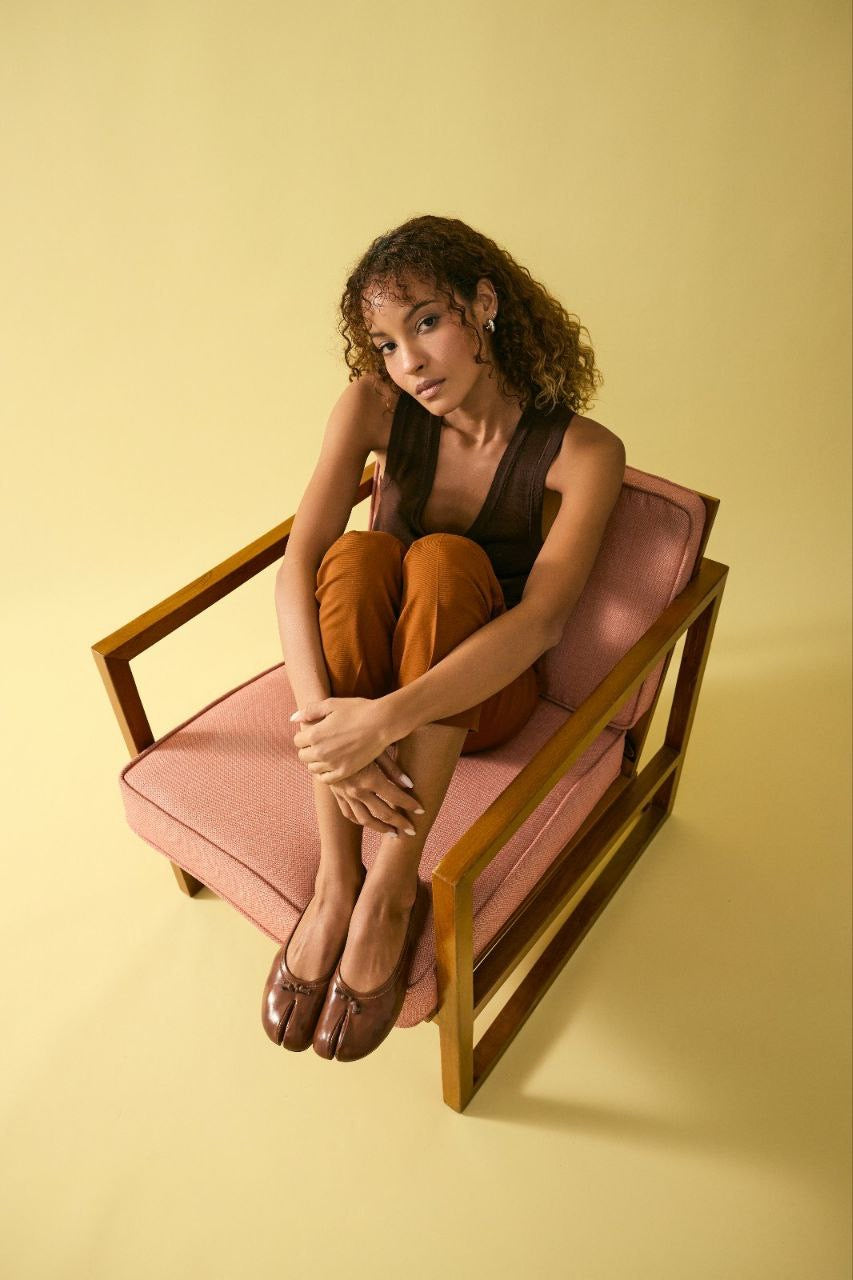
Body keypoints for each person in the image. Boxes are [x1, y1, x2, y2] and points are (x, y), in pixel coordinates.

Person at [263, 213, 626, 1060]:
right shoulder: (372, 407)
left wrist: (382, 721)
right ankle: (337, 880)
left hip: (477, 701)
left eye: (426, 322)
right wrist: (326, 730)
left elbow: (541, 622)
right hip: (360, 698)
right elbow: (297, 567)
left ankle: (391, 890)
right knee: (356, 556)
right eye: (386, 344)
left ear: (484, 303)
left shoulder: (583, 451)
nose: (409, 363)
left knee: (442, 560)